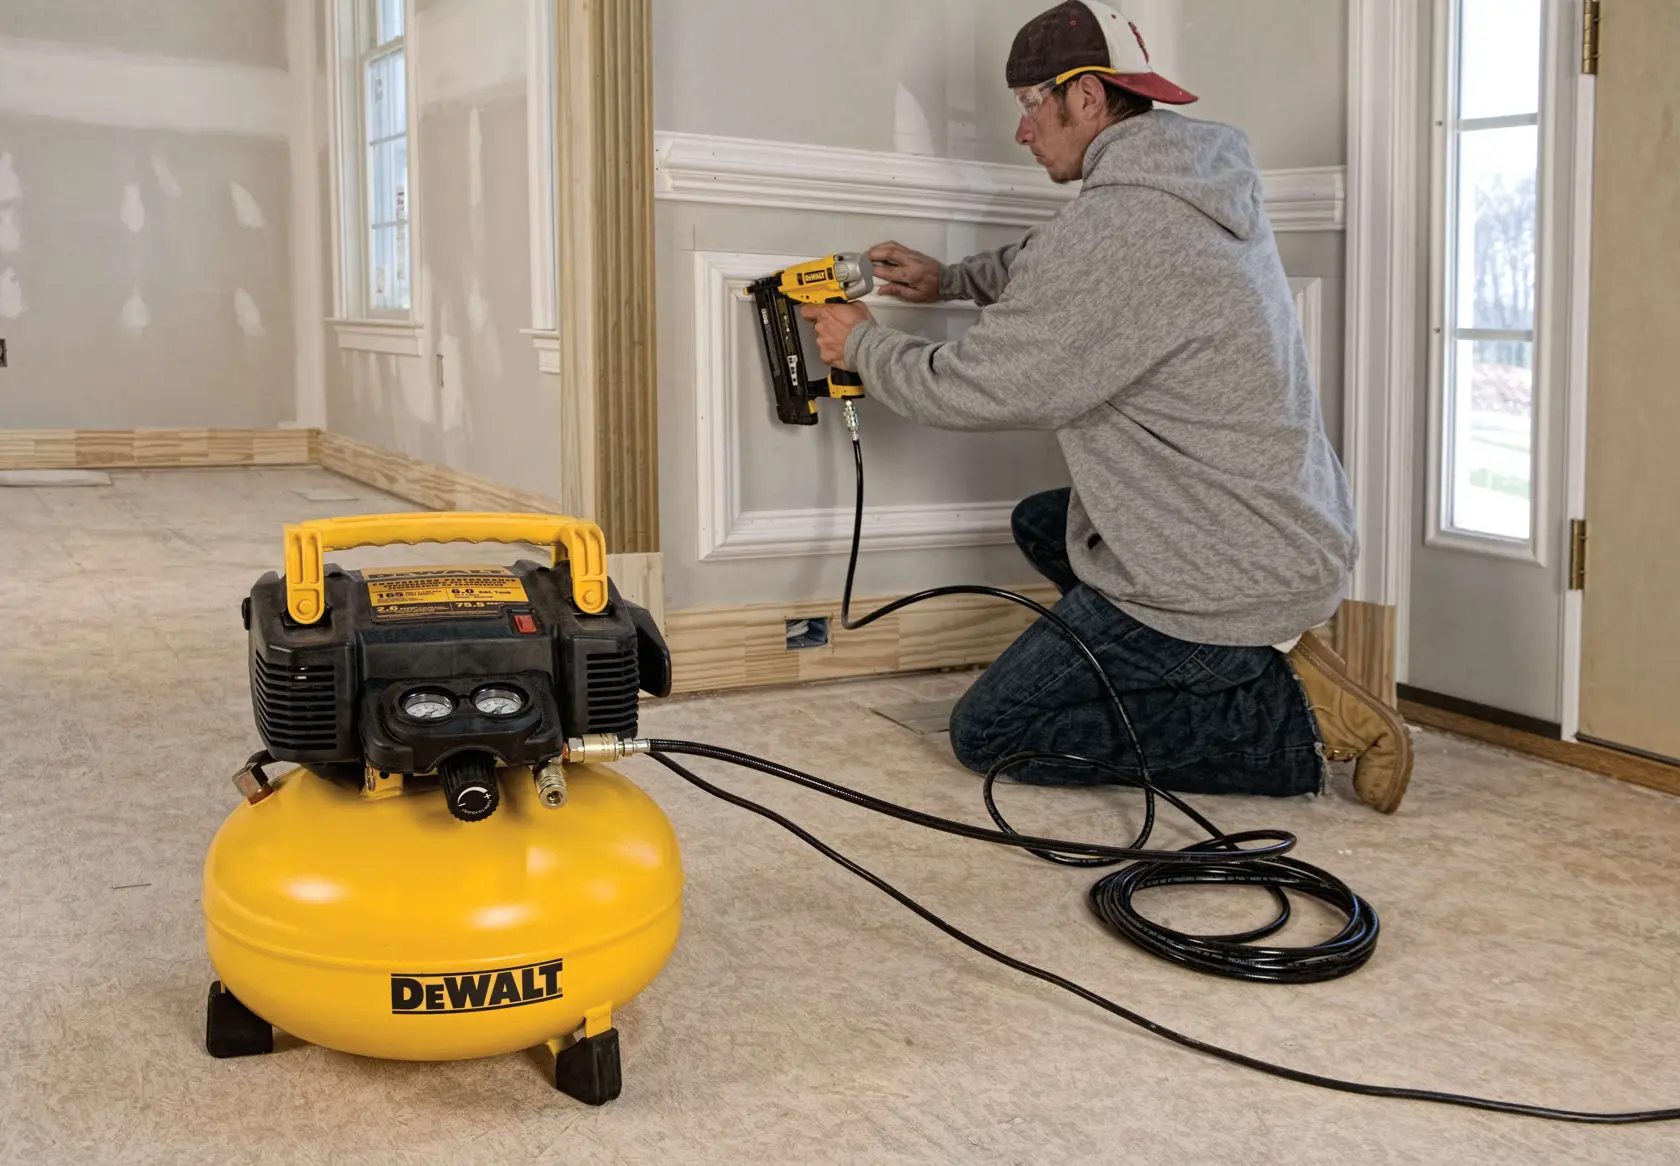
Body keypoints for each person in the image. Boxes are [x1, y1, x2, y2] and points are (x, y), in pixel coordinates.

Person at [800, 0, 1412, 811]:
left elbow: (975, 387)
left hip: (1217, 580)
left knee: (991, 732)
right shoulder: (1187, 185)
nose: (1023, 133)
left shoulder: (1125, 223)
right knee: (1046, 524)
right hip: (1274, 537)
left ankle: (1286, 728)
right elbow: (1058, 258)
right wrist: (949, 280)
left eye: (1029, 108)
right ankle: (1252, 655)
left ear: (1084, 97)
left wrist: (865, 348)